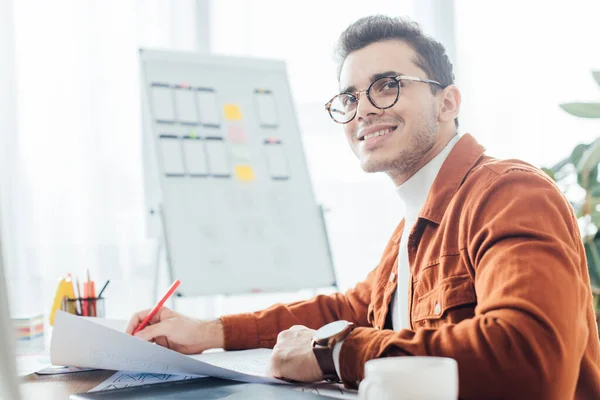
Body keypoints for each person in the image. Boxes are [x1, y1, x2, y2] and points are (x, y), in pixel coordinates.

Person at [127, 15, 600, 399]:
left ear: (447, 102)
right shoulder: (413, 225)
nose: (364, 110)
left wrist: (334, 353)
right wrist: (209, 332)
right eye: (349, 98)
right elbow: (352, 307)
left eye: (387, 85)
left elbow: (530, 359)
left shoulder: (510, 194)